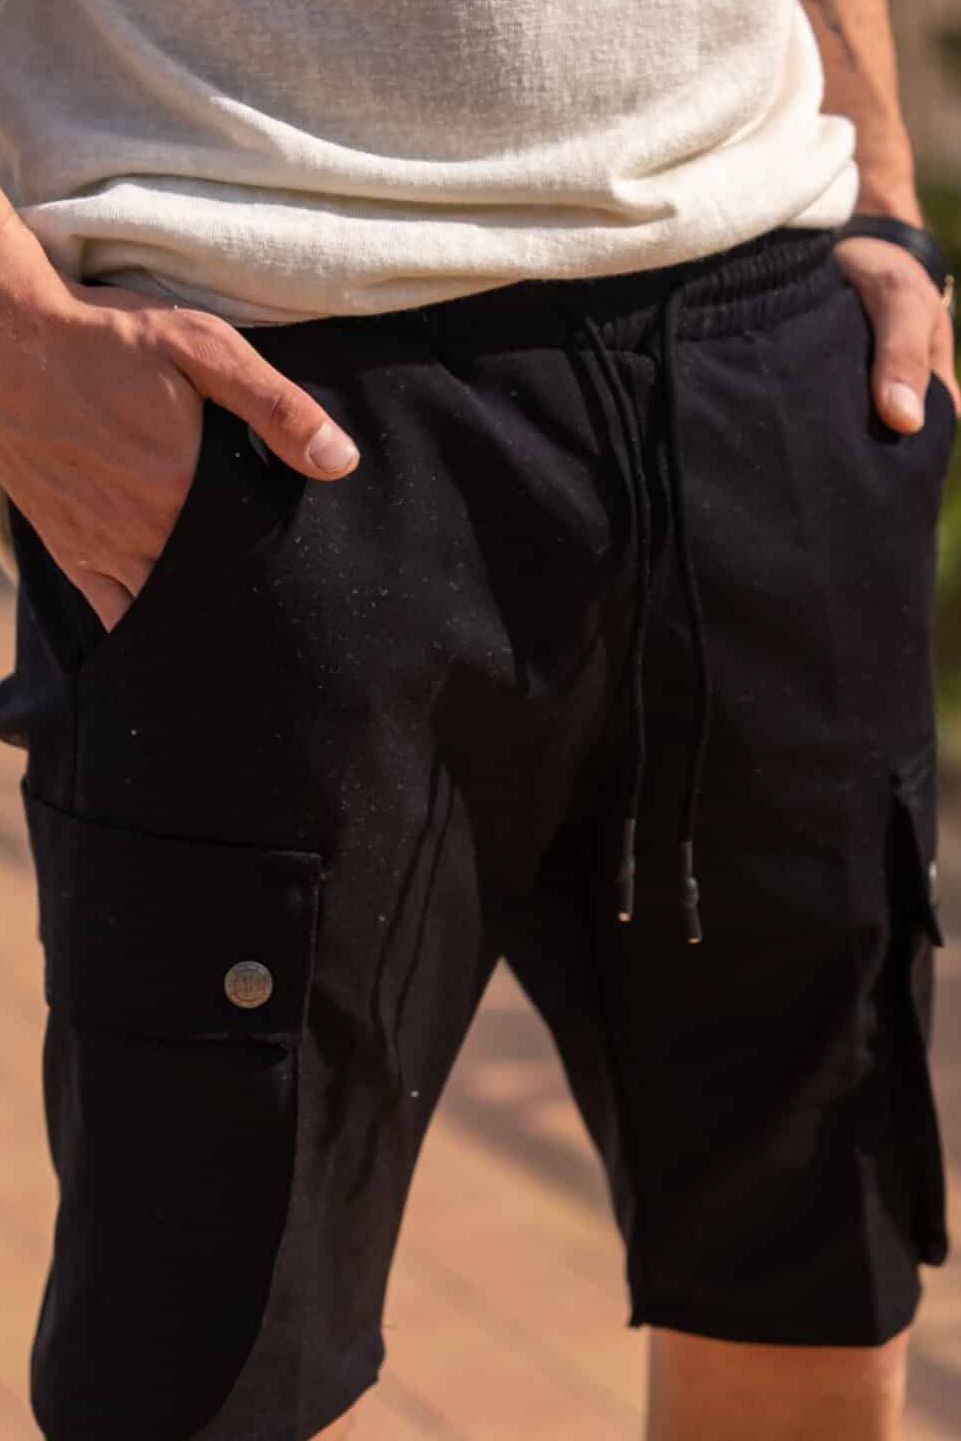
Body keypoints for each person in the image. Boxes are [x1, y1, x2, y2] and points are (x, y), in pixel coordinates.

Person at [0, 1, 956, 1438]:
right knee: (205, 1371)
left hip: (765, 347)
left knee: (809, 1280)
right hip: (269, 399)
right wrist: (21, 348)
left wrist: (884, 194)